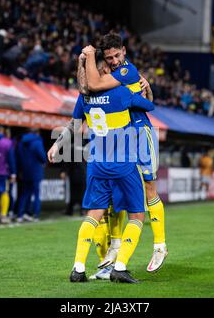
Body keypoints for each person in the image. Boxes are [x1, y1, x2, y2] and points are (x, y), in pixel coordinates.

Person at [81, 33, 168, 273]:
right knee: (117, 193)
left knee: (149, 187)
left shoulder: (127, 72)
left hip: (141, 133)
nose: (113, 60)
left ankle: (160, 245)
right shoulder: (114, 74)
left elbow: (94, 85)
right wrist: (148, 91)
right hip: (122, 138)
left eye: (117, 55)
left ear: (124, 51)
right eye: (109, 58)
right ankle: (115, 246)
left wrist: (88, 56)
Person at [69, 50, 155, 283]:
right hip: (123, 163)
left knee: (94, 214)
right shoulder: (122, 93)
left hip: (97, 163)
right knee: (137, 215)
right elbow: (149, 106)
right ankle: (120, 265)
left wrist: (57, 147)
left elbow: (75, 125)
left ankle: (78, 268)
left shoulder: (83, 96)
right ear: (104, 72)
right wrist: (145, 87)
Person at [16, 128, 46, 223]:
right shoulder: (37, 142)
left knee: (24, 194)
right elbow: (42, 156)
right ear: (37, 133)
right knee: (36, 194)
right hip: (36, 171)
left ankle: (20, 215)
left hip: (25, 171)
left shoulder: (21, 142)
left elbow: (19, 157)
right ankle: (35, 215)